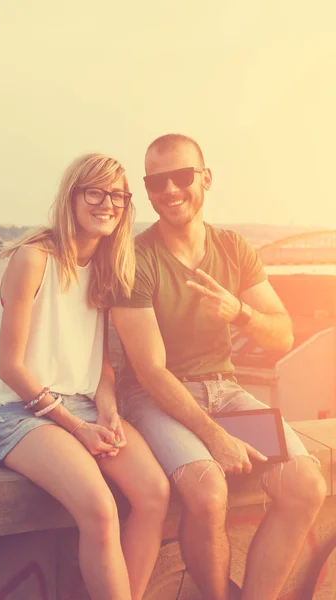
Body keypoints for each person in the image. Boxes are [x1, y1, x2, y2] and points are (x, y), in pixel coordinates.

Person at [111, 134, 326, 600]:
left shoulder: (233, 248)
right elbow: (149, 372)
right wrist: (216, 436)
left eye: (181, 176)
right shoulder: (136, 258)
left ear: (205, 179)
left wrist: (240, 313)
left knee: (306, 484)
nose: (169, 190)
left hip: (225, 392)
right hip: (155, 400)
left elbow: (283, 335)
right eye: (156, 181)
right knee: (208, 493)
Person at [0, 153, 170, 600]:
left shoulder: (108, 264)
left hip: (81, 404)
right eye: (95, 192)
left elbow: (100, 361)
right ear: (73, 196)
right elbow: (12, 367)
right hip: (17, 411)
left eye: (117, 195)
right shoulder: (34, 258)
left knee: (155, 494)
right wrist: (79, 428)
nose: (107, 203)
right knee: (100, 509)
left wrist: (108, 411)